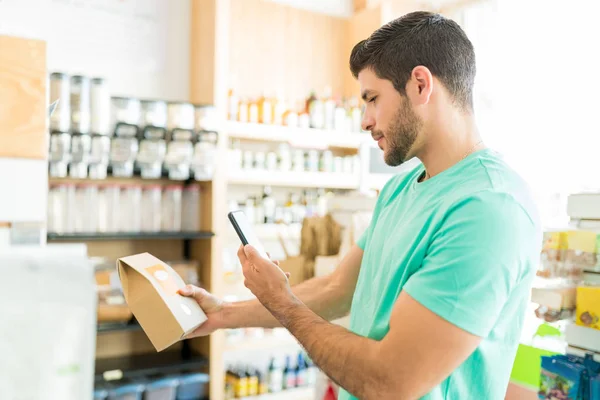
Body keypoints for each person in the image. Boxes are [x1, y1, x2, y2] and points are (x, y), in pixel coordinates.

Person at [179, 11, 541, 400]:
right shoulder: (401, 189)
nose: (366, 121)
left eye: (372, 99)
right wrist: (222, 314)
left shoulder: (489, 209)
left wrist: (283, 301)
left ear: (420, 85)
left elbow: (391, 381)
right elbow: (339, 288)